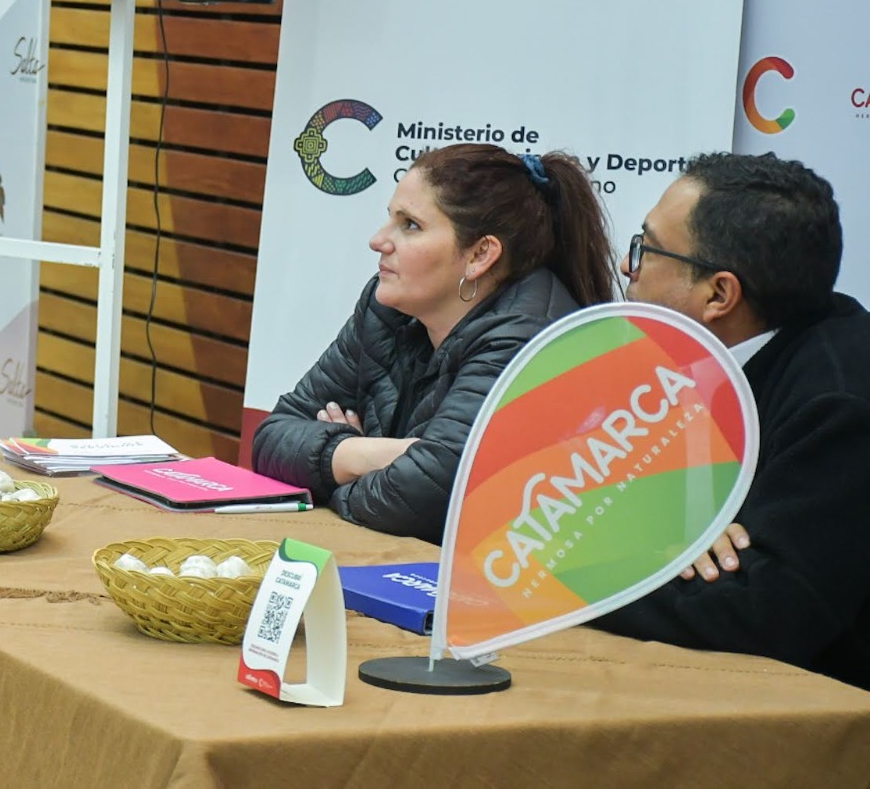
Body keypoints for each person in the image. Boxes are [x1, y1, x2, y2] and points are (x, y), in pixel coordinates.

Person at [595, 153, 870, 690]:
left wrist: (576, 572)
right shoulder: (688, 357)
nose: (628, 266)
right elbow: (585, 500)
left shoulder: (840, 405)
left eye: (646, 248)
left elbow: (765, 610)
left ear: (719, 294)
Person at [251, 144, 616, 542]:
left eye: (410, 225)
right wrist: (366, 452)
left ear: (479, 255)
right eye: (390, 218)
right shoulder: (387, 308)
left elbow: (426, 497)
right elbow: (272, 437)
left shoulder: (528, 335)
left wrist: (332, 478)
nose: (378, 240)